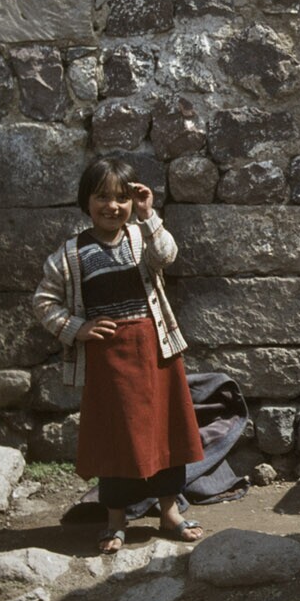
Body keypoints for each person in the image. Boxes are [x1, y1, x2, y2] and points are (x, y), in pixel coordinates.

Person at [32, 157, 204, 555]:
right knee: (115, 437)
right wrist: (78, 328)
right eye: (102, 197)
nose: (112, 206)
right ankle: (115, 519)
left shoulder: (141, 238)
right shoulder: (71, 254)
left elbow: (167, 255)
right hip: (109, 360)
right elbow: (43, 301)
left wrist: (148, 214)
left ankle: (169, 512)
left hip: (156, 351)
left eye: (122, 198)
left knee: (166, 430)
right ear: (86, 201)